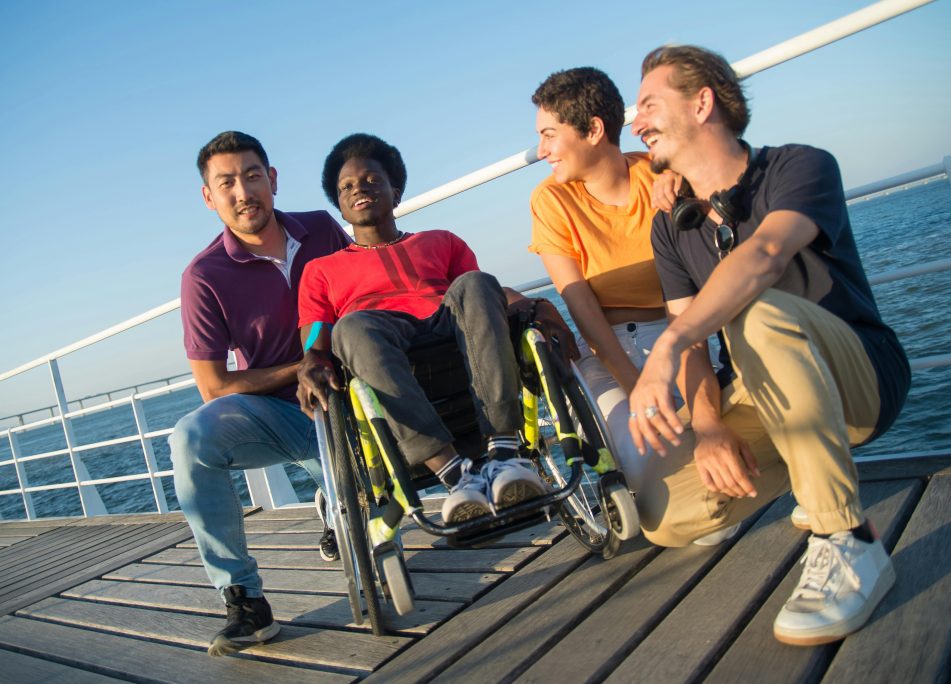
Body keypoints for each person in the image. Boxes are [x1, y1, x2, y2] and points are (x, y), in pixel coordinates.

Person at [627, 46, 910, 645]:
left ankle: (847, 538)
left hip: (859, 374)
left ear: (702, 103)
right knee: (662, 513)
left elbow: (766, 255)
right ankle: (811, 477)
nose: (636, 122)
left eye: (649, 104)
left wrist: (669, 344)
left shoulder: (799, 166)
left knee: (753, 310)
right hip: (767, 391)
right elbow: (696, 348)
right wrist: (707, 425)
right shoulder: (671, 224)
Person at [296, 133, 575, 528]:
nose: (359, 189)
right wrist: (310, 358)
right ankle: (455, 474)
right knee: (351, 326)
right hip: (379, 339)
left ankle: (505, 456)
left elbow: (484, 297)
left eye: (372, 180)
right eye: (346, 187)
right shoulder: (320, 271)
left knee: (476, 281)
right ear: (340, 205)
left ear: (396, 192)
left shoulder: (442, 241)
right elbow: (315, 338)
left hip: (449, 328)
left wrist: (537, 305)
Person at [169, 131, 348, 656]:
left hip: (353, 404)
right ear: (209, 197)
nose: (243, 192)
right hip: (281, 415)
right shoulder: (203, 276)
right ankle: (244, 598)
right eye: (226, 183)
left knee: (379, 540)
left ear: (272, 179)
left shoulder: (322, 229)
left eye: (252, 176)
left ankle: (337, 503)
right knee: (190, 439)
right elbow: (214, 386)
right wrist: (303, 367)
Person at [528, 67, 671, 490]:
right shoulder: (551, 200)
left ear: (593, 130)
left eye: (549, 135)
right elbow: (581, 304)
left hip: (684, 336)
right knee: (646, 466)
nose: (541, 151)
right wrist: (635, 386)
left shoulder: (660, 174)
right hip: (610, 353)